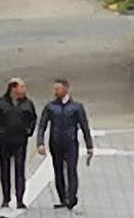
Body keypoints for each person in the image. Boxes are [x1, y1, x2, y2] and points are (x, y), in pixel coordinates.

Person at [34, 78, 95, 209]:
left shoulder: (76, 107)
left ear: (66, 89)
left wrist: (89, 146)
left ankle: (71, 197)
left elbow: (84, 126)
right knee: (58, 171)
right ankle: (62, 198)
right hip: (55, 143)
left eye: (58, 89)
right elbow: (42, 126)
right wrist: (40, 142)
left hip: (71, 143)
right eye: (54, 89)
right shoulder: (50, 107)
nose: (55, 91)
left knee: (71, 170)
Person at [0, 78, 38, 208]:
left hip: (20, 141)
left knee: (20, 170)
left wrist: (28, 131)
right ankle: (6, 198)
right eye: (22, 87)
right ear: (13, 88)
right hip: (4, 141)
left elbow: (33, 118)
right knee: (5, 169)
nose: (24, 90)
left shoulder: (27, 104)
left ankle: (20, 198)